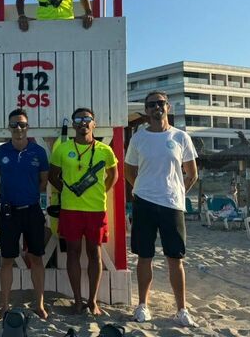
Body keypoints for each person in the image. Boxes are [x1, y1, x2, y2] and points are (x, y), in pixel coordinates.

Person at [124, 91, 199, 327]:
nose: (156, 107)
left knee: (175, 258)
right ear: (146, 110)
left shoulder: (181, 137)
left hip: (172, 205)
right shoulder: (138, 138)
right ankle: (143, 305)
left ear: (168, 107)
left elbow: (192, 174)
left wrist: (177, 192)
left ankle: (182, 309)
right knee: (144, 256)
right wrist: (142, 190)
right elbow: (128, 170)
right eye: (151, 104)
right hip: (144, 202)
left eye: (160, 103)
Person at [48, 108, 118, 315]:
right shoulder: (62, 149)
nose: (83, 123)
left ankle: (93, 301)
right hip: (70, 210)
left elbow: (113, 176)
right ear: (73, 125)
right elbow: (53, 177)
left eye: (87, 119)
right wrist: (68, 193)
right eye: (78, 119)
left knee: (94, 253)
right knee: (73, 253)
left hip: (96, 209)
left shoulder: (105, 150)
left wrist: (100, 192)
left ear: (94, 124)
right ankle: (78, 300)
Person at [0, 109, 50, 319]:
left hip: (32, 212)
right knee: (7, 259)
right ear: (9, 127)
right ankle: (4, 305)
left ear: (28, 127)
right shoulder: (0, 152)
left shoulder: (38, 152)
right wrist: (6, 196)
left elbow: (44, 181)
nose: (18, 128)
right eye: (14, 125)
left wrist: (31, 195)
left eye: (22, 124)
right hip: (9, 213)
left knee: (37, 258)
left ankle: (40, 305)